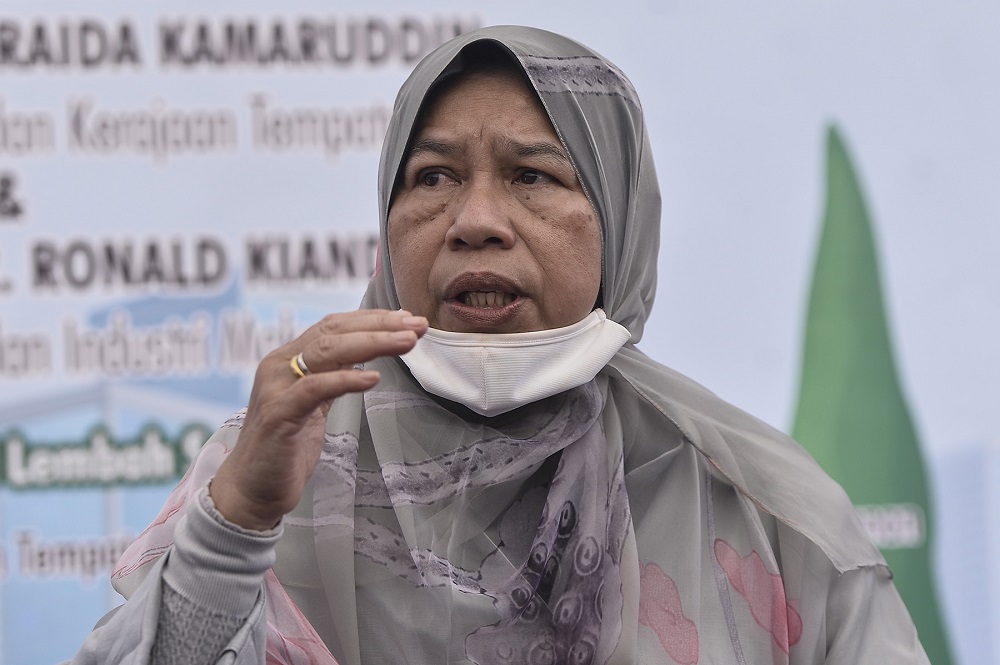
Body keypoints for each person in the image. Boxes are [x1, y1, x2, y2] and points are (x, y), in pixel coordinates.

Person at [70, 25, 930, 665]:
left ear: (620, 226)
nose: (476, 222)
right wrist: (236, 525)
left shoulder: (763, 510)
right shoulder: (274, 467)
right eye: (433, 177)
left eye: (533, 176)